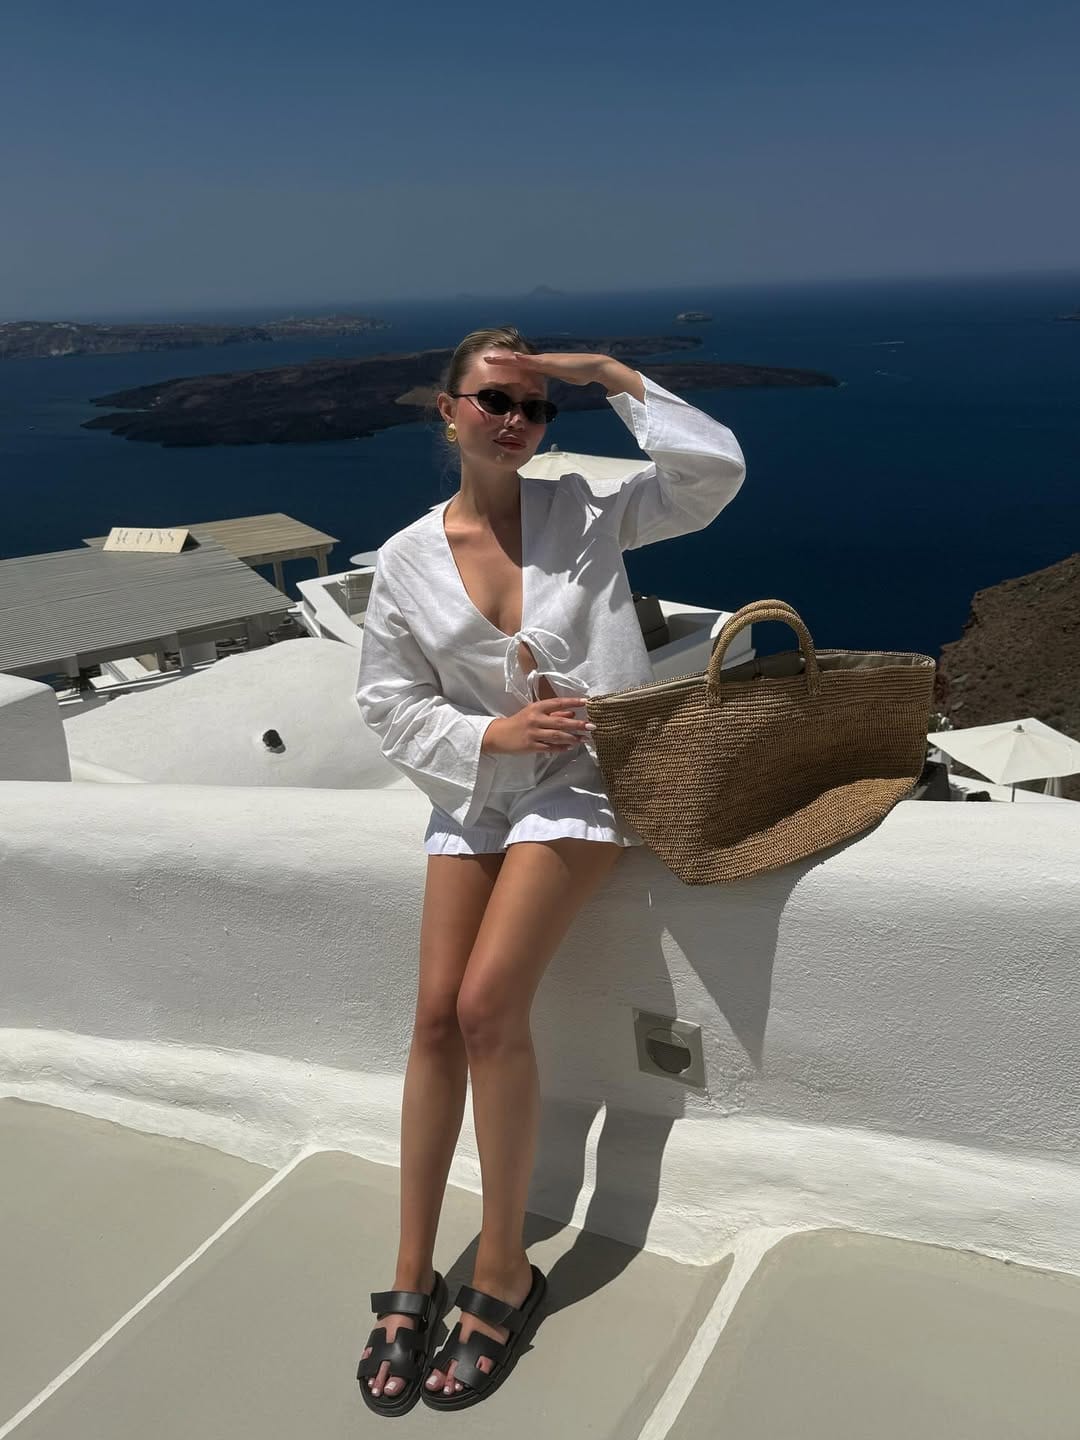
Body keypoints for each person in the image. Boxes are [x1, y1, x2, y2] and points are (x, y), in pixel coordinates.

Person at [354, 326, 746, 1414]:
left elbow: (710, 476)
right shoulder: (403, 559)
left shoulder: (585, 510)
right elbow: (387, 703)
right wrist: (490, 742)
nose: (517, 421)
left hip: (584, 787)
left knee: (487, 1007)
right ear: (447, 411)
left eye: (534, 407)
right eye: (493, 401)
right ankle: (408, 1268)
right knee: (433, 1018)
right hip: (478, 796)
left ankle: (502, 1272)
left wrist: (616, 381)